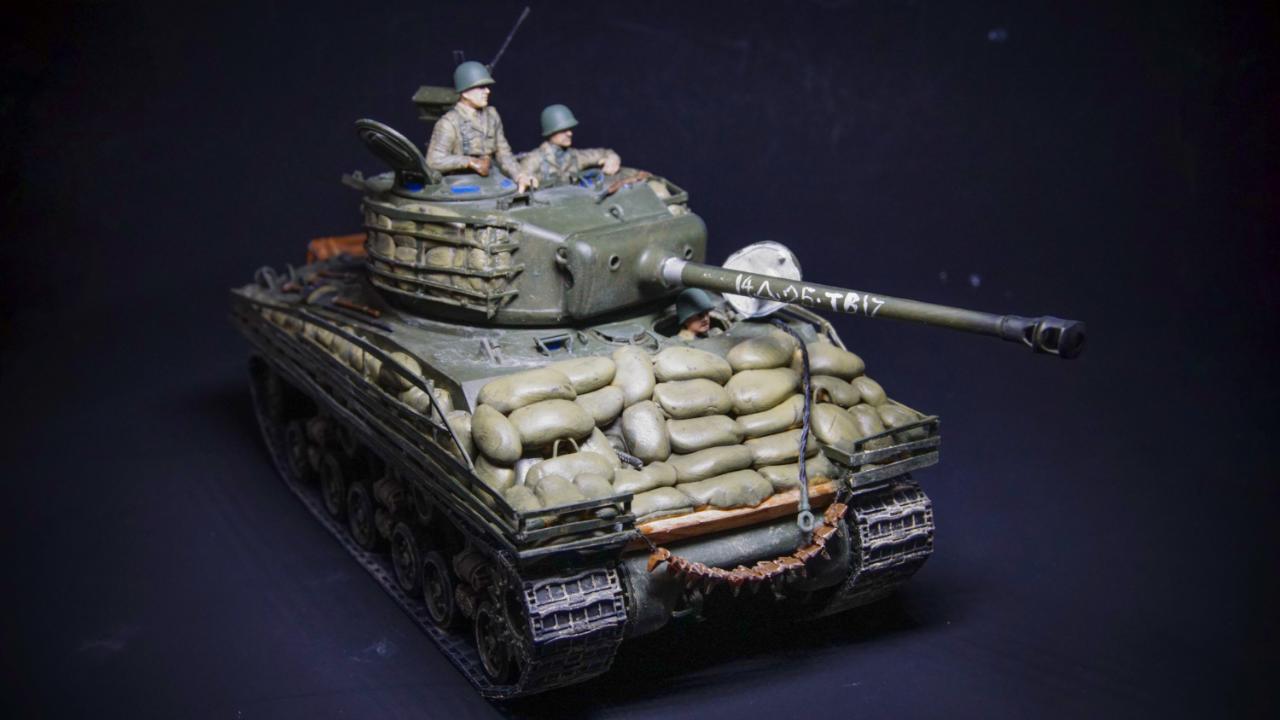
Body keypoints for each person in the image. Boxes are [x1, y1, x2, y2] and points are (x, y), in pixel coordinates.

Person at [426, 61, 536, 192]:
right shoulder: (449, 122)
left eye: (487, 87)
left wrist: (519, 175)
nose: (487, 91)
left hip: (492, 181)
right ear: (465, 93)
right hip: (460, 185)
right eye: (481, 87)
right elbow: (433, 161)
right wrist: (469, 162)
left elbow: (503, 153)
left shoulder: (492, 115)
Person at [519, 104, 621, 187]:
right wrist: (526, 179)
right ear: (550, 132)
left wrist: (613, 159)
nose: (570, 133)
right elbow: (522, 176)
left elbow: (605, 153)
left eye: (569, 129)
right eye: (563, 130)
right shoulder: (535, 159)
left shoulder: (575, 156)